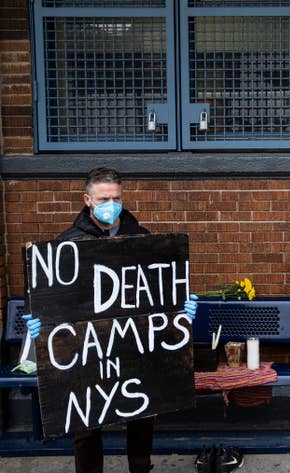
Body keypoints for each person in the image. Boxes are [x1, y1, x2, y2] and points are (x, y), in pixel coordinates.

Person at [22, 167, 198, 473]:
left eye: (116, 197)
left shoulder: (143, 240)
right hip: (87, 348)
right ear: (87, 199)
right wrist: (39, 324)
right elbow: (53, 297)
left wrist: (180, 310)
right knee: (86, 420)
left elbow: (158, 290)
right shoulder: (67, 244)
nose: (111, 204)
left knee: (144, 408)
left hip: (132, 341)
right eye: (104, 198)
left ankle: (140, 467)